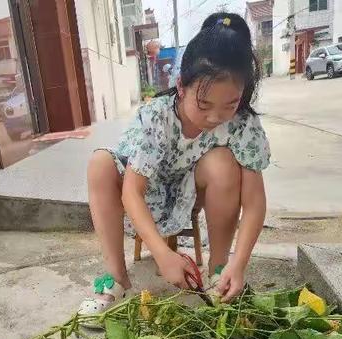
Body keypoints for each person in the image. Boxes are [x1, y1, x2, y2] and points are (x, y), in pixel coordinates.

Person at [78, 12, 270, 315]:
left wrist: (240, 262)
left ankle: (220, 272)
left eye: (230, 105)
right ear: (181, 86)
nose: (215, 117)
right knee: (99, 164)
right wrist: (163, 255)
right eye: (204, 105)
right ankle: (116, 279)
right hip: (146, 190)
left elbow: (255, 202)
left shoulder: (243, 124)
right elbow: (131, 192)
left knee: (222, 161)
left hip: (191, 192)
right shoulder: (157, 116)